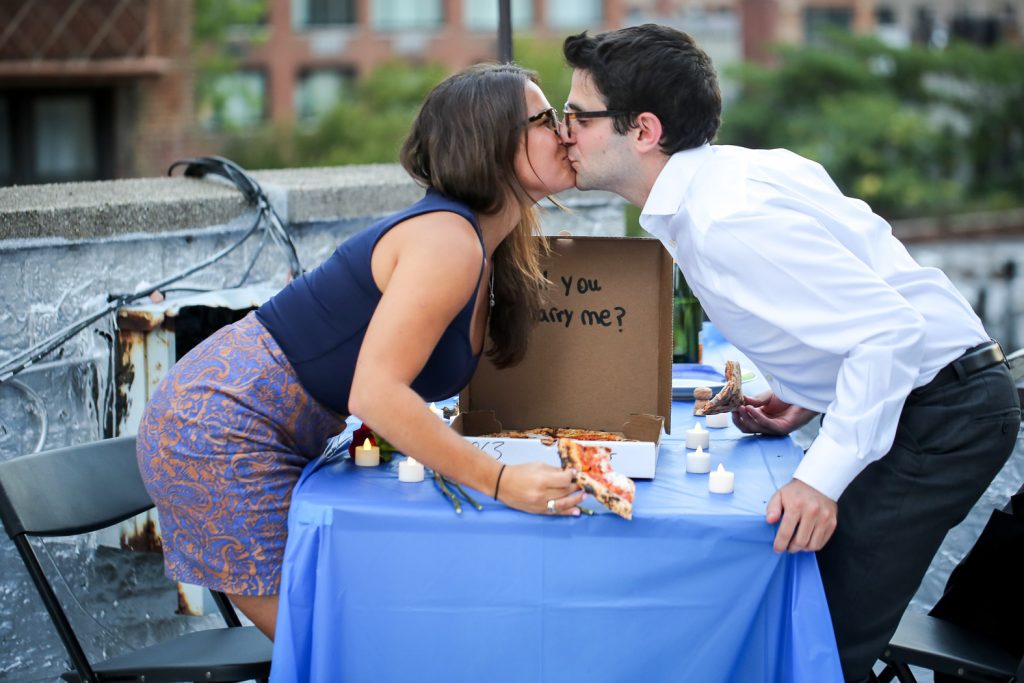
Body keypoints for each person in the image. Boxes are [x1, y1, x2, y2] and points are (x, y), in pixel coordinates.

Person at [560, 24, 1020, 682]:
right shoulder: (729, 181)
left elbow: (888, 331)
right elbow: (856, 292)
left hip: (945, 413)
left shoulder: (727, 219)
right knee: (791, 608)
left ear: (644, 131)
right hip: (925, 398)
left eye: (578, 115)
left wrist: (820, 482)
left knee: (813, 636)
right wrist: (808, 392)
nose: (564, 130)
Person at [136, 63, 585, 639]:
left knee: (360, 633)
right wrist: (500, 481)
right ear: (491, 142)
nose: (565, 131)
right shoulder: (447, 240)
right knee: (330, 649)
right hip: (217, 428)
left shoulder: (484, 242)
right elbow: (375, 393)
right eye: (545, 119)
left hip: (262, 422)